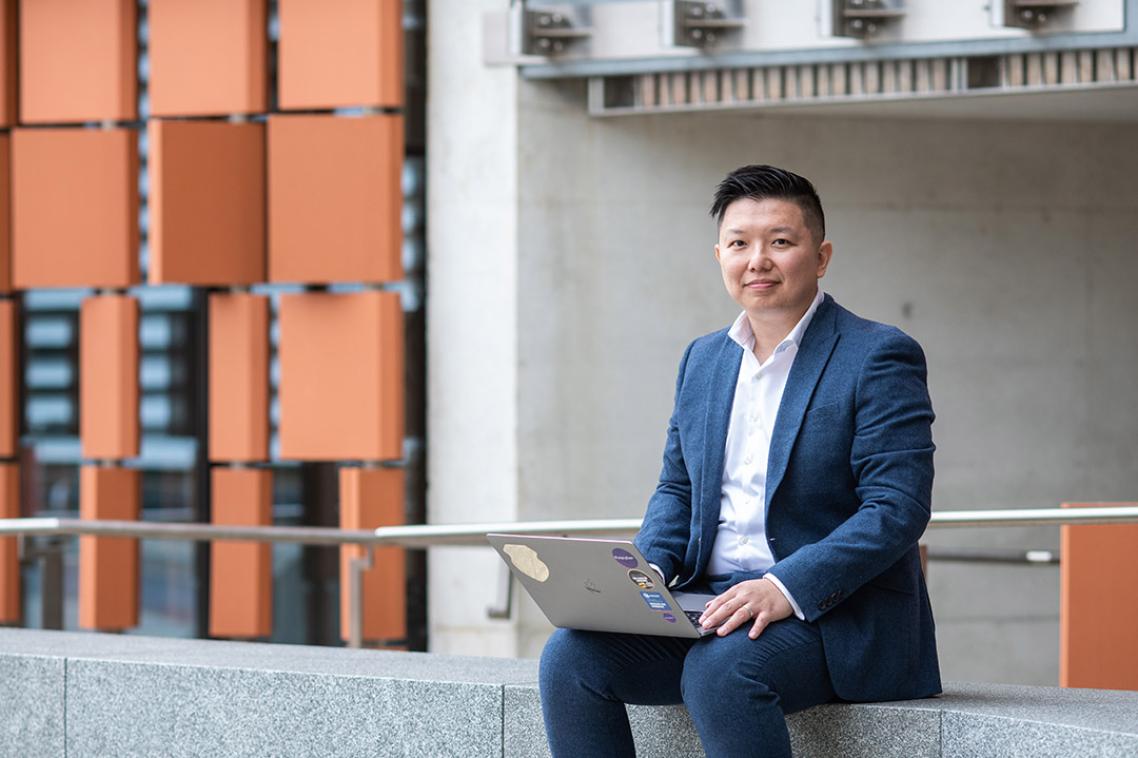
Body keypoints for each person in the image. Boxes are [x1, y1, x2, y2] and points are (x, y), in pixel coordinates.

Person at [539, 165, 941, 757]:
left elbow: (896, 508)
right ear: (719, 256)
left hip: (828, 615)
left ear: (821, 256)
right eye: (739, 244)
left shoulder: (877, 356)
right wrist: (645, 576)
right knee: (571, 658)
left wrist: (783, 586)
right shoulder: (703, 360)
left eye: (780, 241)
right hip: (710, 602)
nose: (758, 260)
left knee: (721, 671)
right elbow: (678, 489)